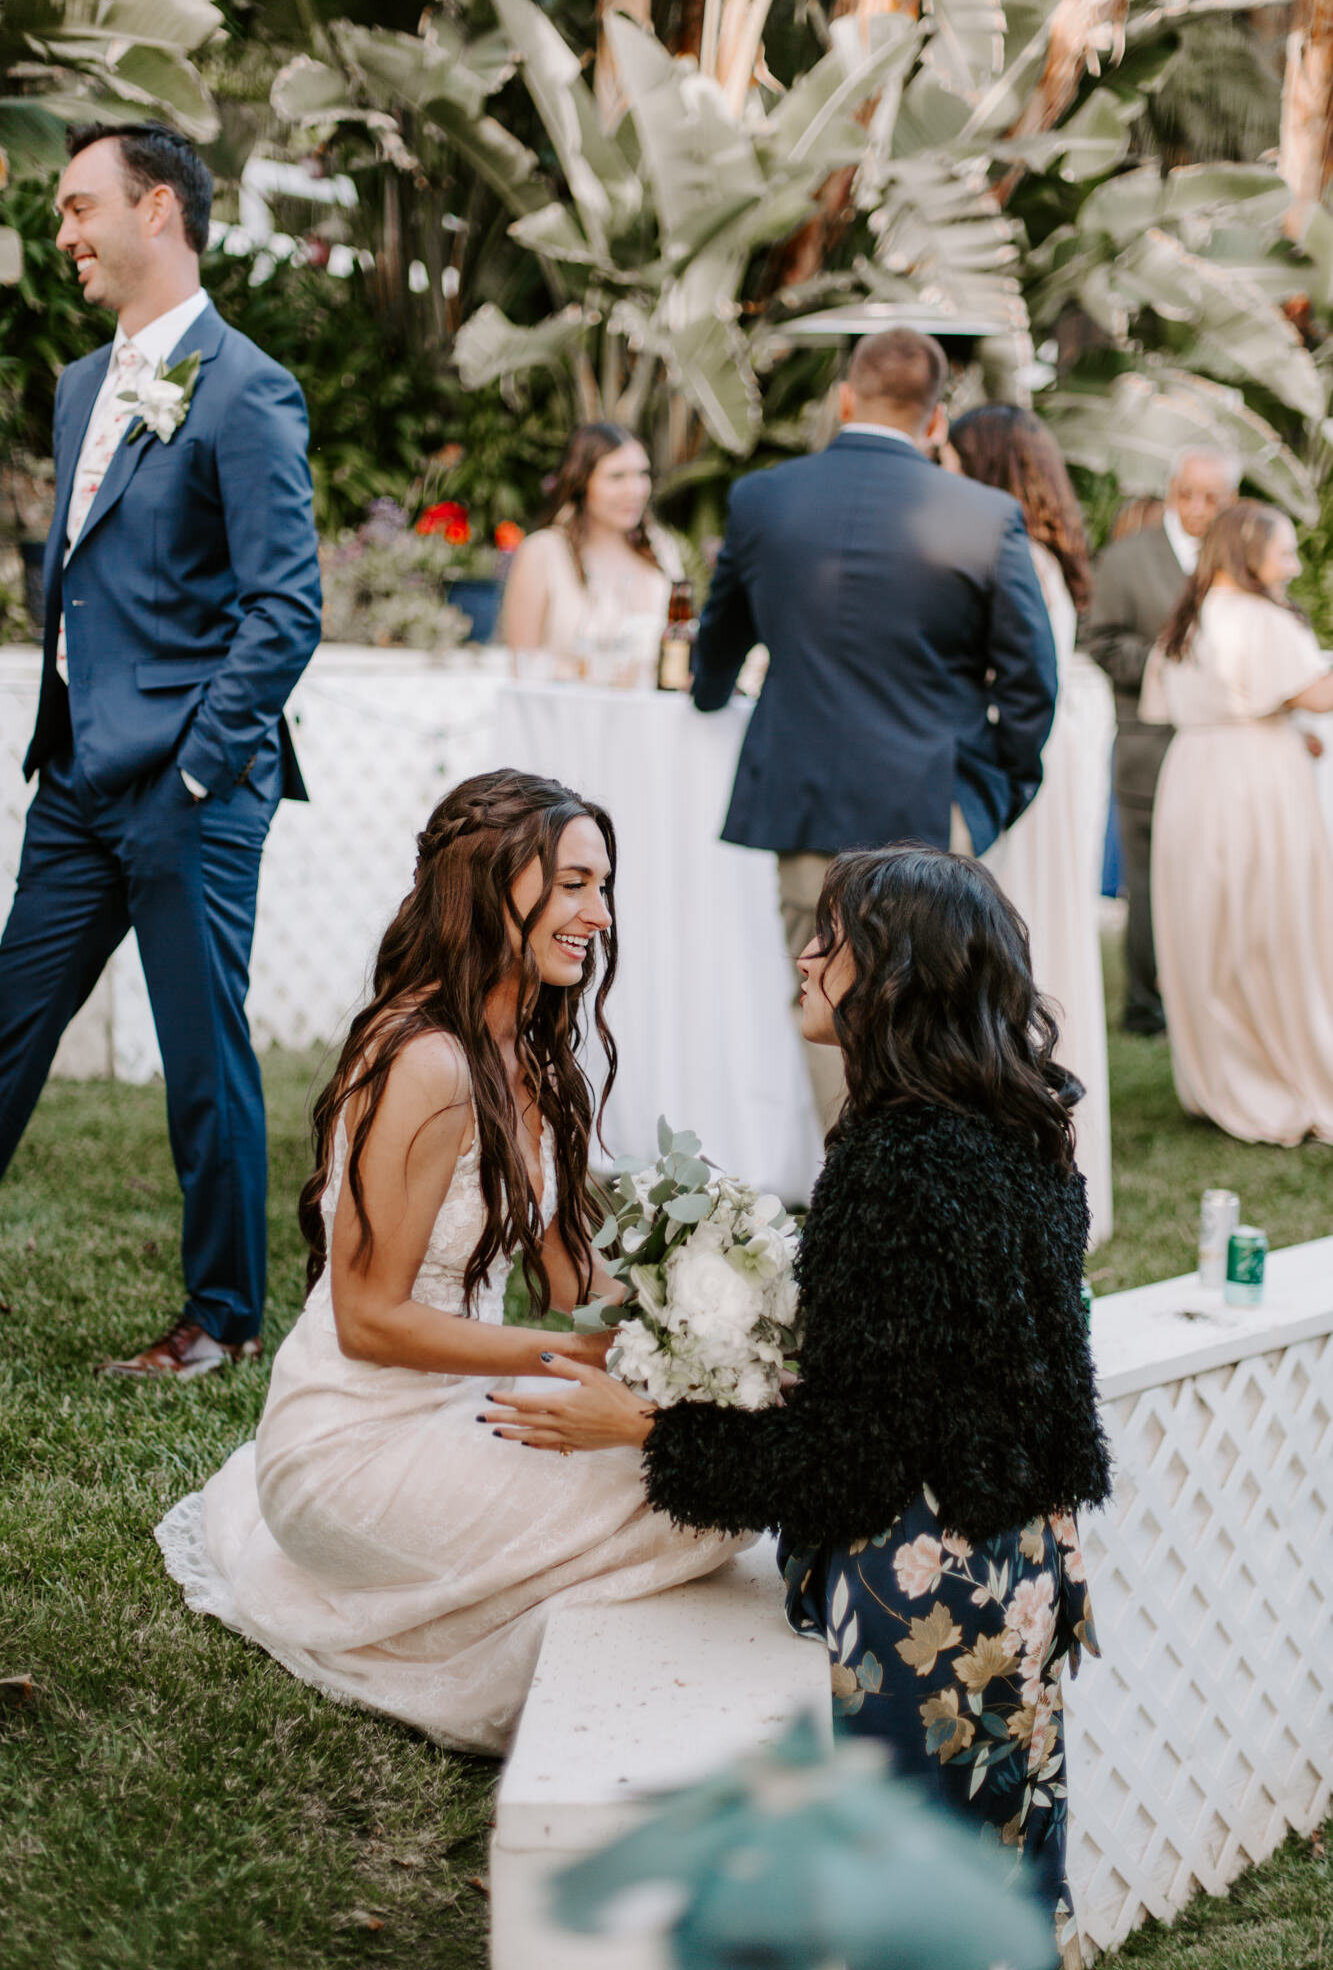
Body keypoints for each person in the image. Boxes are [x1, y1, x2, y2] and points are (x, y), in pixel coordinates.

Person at [487, 845, 1113, 1967]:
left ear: (896, 977)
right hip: (1029, 1562)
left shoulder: (895, 1161)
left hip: (931, 1599)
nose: (804, 954)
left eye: (831, 940)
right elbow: (942, 1376)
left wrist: (642, 1429)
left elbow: (856, 1456)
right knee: (998, 1894)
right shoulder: (1021, 1132)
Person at [155, 770, 739, 1751]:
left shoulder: (538, 1047)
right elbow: (366, 1318)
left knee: (714, 1464)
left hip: (456, 1406)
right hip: (353, 1439)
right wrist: (565, 1364)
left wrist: (716, 1316)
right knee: (699, 1498)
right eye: (574, 884)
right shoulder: (421, 1058)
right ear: (490, 882)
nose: (599, 913)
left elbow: (571, 1285)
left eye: (604, 886)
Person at [0, 123, 322, 1378]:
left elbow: (284, 607)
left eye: (82, 208)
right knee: (13, 1020)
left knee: (203, 1060)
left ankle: (224, 1317)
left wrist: (194, 770)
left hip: (191, 787)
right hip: (78, 779)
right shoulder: (85, 384)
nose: (65, 232)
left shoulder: (249, 389)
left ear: (159, 213)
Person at [691, 329, 1058, 1130]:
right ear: (935, 419)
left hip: (806, 804)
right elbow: (1031, 680)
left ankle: (852, 1193)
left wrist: (707, 694)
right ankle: (919, 1197)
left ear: (844, 399)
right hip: (934, 806)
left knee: (828, 1010)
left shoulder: (765, 497)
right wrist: (994, 788)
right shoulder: (984, 514)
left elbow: (717, 642)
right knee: (938, 1015)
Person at [948, 406, 1113, 1246]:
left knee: (1019, 949)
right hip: (1037, 764)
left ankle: (1032, 1164)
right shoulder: (1037, 553)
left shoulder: (1019, 558)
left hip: (1020, 779)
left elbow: (1020, 682)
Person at [1143, 503, 1333, 1144]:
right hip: (1255, 785)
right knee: (1271, 925)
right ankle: (1276, 1073)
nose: (1295, 563)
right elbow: (1317, 693)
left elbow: (1177, 701)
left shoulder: (1189, 619)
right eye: (1284, 552)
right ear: (1249, 553)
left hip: (1194, 774)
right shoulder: (1258, 618)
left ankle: (1218, 1077)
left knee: (1211, 930)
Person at [1080, 447, 1239, 1035]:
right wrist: (1171, 665)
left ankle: (1215, 998)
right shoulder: (1125, 559)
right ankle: (1146, 1005)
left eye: (1212, 498)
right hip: (1150, 748)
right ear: (1172, 490)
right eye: (1188, 495)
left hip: (1229, 752)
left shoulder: (1241, 556)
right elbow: (1099, 641)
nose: (1198, 509)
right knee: (1147, 883)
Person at [499, 423, 677, 683]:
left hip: (652, 718)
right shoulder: (543, 552)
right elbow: (523, 666)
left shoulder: (661, 549)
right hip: (570, 716)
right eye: (617, 477)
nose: (635, 490)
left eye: (642, 474)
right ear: (582, 482)